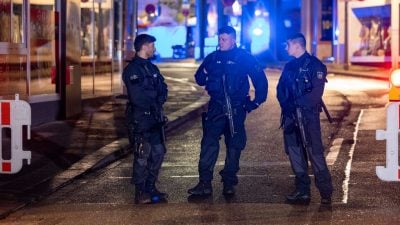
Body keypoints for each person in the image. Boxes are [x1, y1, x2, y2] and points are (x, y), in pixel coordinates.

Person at [188, 26, 268, 196]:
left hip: (236, 107)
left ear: (233, 40)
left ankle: (229, 182)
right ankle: (204, 183)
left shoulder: (244, 58)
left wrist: (256, 102)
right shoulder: (213, 58)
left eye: (224, 39)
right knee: (209, 144)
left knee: (234, 145)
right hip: (216, 106)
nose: (221, 42)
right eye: (220, 39)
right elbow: (199, 79)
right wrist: (206, 70)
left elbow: (260, 79)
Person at [276, 33, 333, 205]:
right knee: (295, 153)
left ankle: (325, 193)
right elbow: (280, 89)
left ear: (297, 45)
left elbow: (315, 94)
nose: (286, 48)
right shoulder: (289, 66)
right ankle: (302, 191)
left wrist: (297, 104)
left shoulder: (315, 66)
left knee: (315, 153)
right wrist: (288, 106)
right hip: (291, 117)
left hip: (308, 118)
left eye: (288, 44)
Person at [122, 34, 168, 204]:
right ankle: (140, 192)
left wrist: (158, 97)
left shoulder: (152, 68)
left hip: (155, 118)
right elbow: (138, 97)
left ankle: (151, 186)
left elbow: (163, 89)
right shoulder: (132, 70)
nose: (154, 48)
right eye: (152, 45)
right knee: (142, 155)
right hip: (141, 119)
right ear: (145, 46)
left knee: (159, 153)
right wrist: (156, 97)